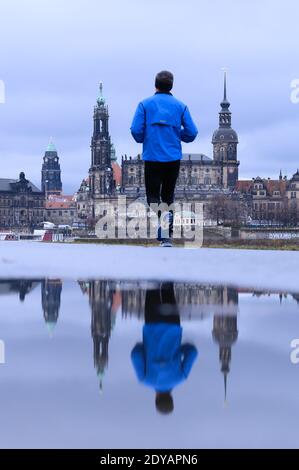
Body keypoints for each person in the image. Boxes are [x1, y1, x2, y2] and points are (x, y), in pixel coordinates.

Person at [130, 71, 198, 247]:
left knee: (153, 196)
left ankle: (163, 223)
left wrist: (146, 136)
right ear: (171, 86)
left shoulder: (144, 105)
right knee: (168, 196)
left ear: (155, 85)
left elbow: (136, 131)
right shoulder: (180, 106)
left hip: (152, 157)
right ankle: (166, 236)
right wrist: (176, 133)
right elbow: (192, 133)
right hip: (172, 158)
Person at [131, 282, 198, 415]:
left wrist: (180, 349)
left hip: (173, 325)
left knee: (168, 288)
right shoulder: (145, 379)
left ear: (171, 398)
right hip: (151, 325)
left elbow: (193, 352)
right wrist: (143, 347)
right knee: (152, 288)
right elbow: (135, 355)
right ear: (156, 399)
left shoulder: (180, 377)